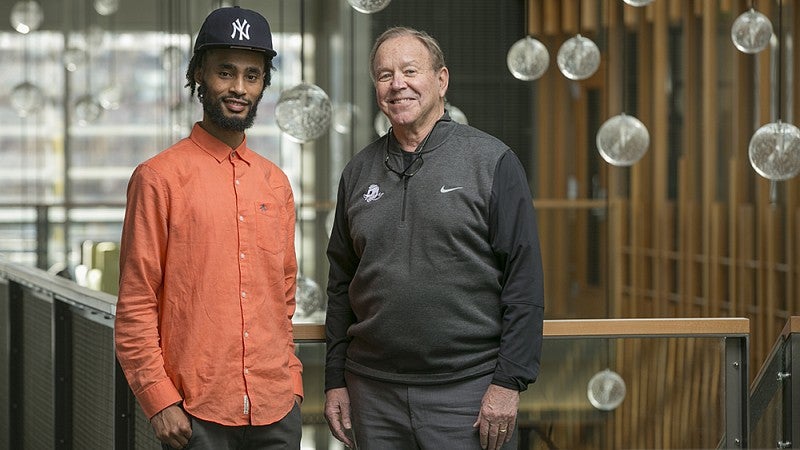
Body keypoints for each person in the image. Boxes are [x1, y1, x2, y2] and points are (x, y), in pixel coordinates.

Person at [324, 26, 545, 450]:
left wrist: (508, 382)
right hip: (371, 393)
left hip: (469, 392)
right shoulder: (357, 172)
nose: (397, 84)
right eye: (385, 75)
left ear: (441, 80)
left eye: (410, 70)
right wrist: (335, 379)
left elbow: (524, 280)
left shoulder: (492, 161)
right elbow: (339, 286)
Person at [114, 7, 303, 449]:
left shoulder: (275, 182)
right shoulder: (157, 178)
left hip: (276, 411)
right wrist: (159, 400)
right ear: (199, 73)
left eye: (252, 76)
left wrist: (293, 384)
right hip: (194, 415)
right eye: (225, 72)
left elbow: (284, 297)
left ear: (264, 84)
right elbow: (137, 301)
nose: (239, 88)